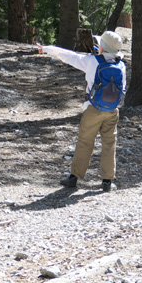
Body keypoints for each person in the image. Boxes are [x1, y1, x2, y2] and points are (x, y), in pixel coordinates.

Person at [37, 31, 126, 192]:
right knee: (109, 143)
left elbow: (69, 56)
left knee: (85, 142)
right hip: (112, 110)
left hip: (92, 108)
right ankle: (107, 181)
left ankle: (74, 178)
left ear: (103, 48)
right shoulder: (121, 65)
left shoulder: (92, 62)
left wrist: (47, 48)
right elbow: (123, 89)